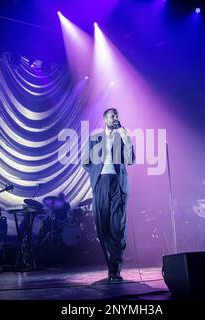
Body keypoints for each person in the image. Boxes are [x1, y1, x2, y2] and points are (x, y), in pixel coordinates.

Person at [83, 108, 135, 281]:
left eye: (117, 116)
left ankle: (116, 269)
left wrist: (126, 138)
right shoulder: (95, 139)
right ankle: (110, 266)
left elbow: (130, 160)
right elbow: (86, 162)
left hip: (118, 184)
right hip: (101, 183)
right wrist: (95, 179)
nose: (116, 118)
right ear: (105, 119)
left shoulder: (123, 137)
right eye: (113, 116)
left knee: (118, 228)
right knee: (103, 227)